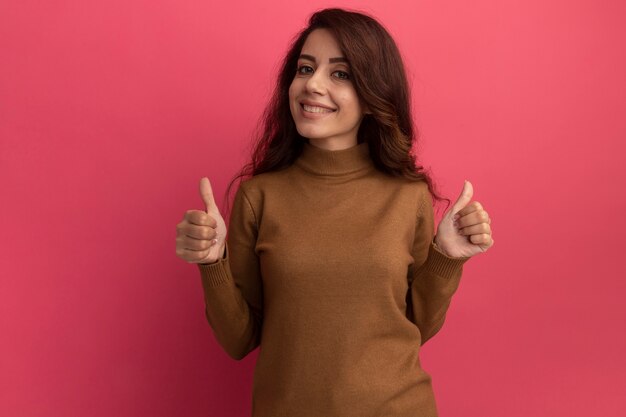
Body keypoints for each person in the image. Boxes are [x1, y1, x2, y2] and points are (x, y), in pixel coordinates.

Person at [175, 7, 494, 417]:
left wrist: (446, 258)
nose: (313, 85)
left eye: (340, 74)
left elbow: (416, 327)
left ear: (373, 94)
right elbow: (238, 341)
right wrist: (211, 263)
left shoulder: (407, 196)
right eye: (305, 69)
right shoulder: (259, 196)